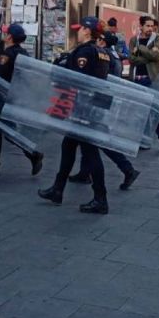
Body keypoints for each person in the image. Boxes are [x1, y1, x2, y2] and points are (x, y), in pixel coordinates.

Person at [38, 16, 112, 214]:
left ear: (87, 31)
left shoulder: (85, 52)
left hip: (83, 108)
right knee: (68, 145)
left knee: (90, 152)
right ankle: (57, 189)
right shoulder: (102, 52)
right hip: (91, 107)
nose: (77, 32)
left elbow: (77, 81)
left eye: (80, 29)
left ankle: (100, 198)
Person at [66, 31, 141, 191]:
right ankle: (85, 172)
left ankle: (127, 169)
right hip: (100, 101)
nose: (97, 42)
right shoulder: (110, 56)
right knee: (87, 139)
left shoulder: (104, 57)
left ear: (103, 42)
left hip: (96, 101)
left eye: (99, 39)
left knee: (99, 140)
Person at [0, 23, 45, 177]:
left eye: (6, 33)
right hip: (15, 96)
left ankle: (30, 154)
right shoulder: (24, 53)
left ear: (10, 37)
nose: (4, 35)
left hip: (3, 96)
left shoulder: (7, 54)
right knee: (0, 130)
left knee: (4, 130)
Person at [128, 16, 159, 152]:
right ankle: (143, 140)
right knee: (140, 112)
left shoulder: (157, 38)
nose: (150, 29)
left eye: (152, 26)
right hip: (138, 80)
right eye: (147, 26)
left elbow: (156, 56)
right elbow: (132, 59)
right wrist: (146, 57)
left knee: (155, 111)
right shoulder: (133, 40)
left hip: (152, 79)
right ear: (140, 26)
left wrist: (140, 49)